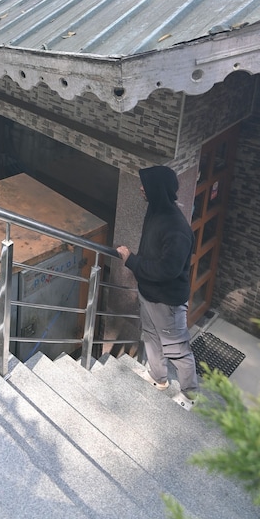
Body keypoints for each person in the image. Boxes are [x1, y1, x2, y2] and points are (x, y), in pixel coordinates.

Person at [117, 165, 199, 402]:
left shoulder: (177, 228)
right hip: (149, 293)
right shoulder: (155, 209)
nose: (141, 188)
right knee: (151, 337)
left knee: (178, 350)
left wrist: (131, 260)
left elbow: (167, 270)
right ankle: (158, 378)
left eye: (146, 185)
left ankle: (190, 395)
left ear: (158, 189)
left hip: (167, 302)